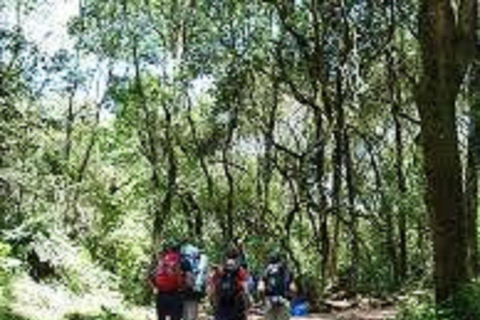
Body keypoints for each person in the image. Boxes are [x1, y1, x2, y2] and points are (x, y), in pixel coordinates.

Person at [149, 240, 191, 320]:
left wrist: (155, 288)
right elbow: (189, 279)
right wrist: (186, 288)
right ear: (180, 250)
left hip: (161, 294)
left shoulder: (161, 261)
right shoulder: (183, 261)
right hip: (176, 294)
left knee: (161, 318)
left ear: (169, 249)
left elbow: (150, 276)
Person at [210, 248, 250, 320]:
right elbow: (245, 289)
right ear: (237, 257)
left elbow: (212, 288)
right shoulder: (240, 270)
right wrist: (247, 305)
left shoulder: (220, 270)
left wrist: (213, 303)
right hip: (237, 303)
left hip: (221, 303)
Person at [258, 251, 295, 320]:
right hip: (283, 301)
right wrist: (289, 300)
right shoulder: (287, 270)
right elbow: (293, 288)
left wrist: (263, 301)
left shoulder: (266, 271)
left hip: (269, 302)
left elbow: (260, 288)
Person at [181, 241, 209, 320]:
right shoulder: (197, 262)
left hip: (182, 290)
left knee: (185, 314)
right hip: (193, 290)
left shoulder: (183, 261)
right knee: (192, 314)